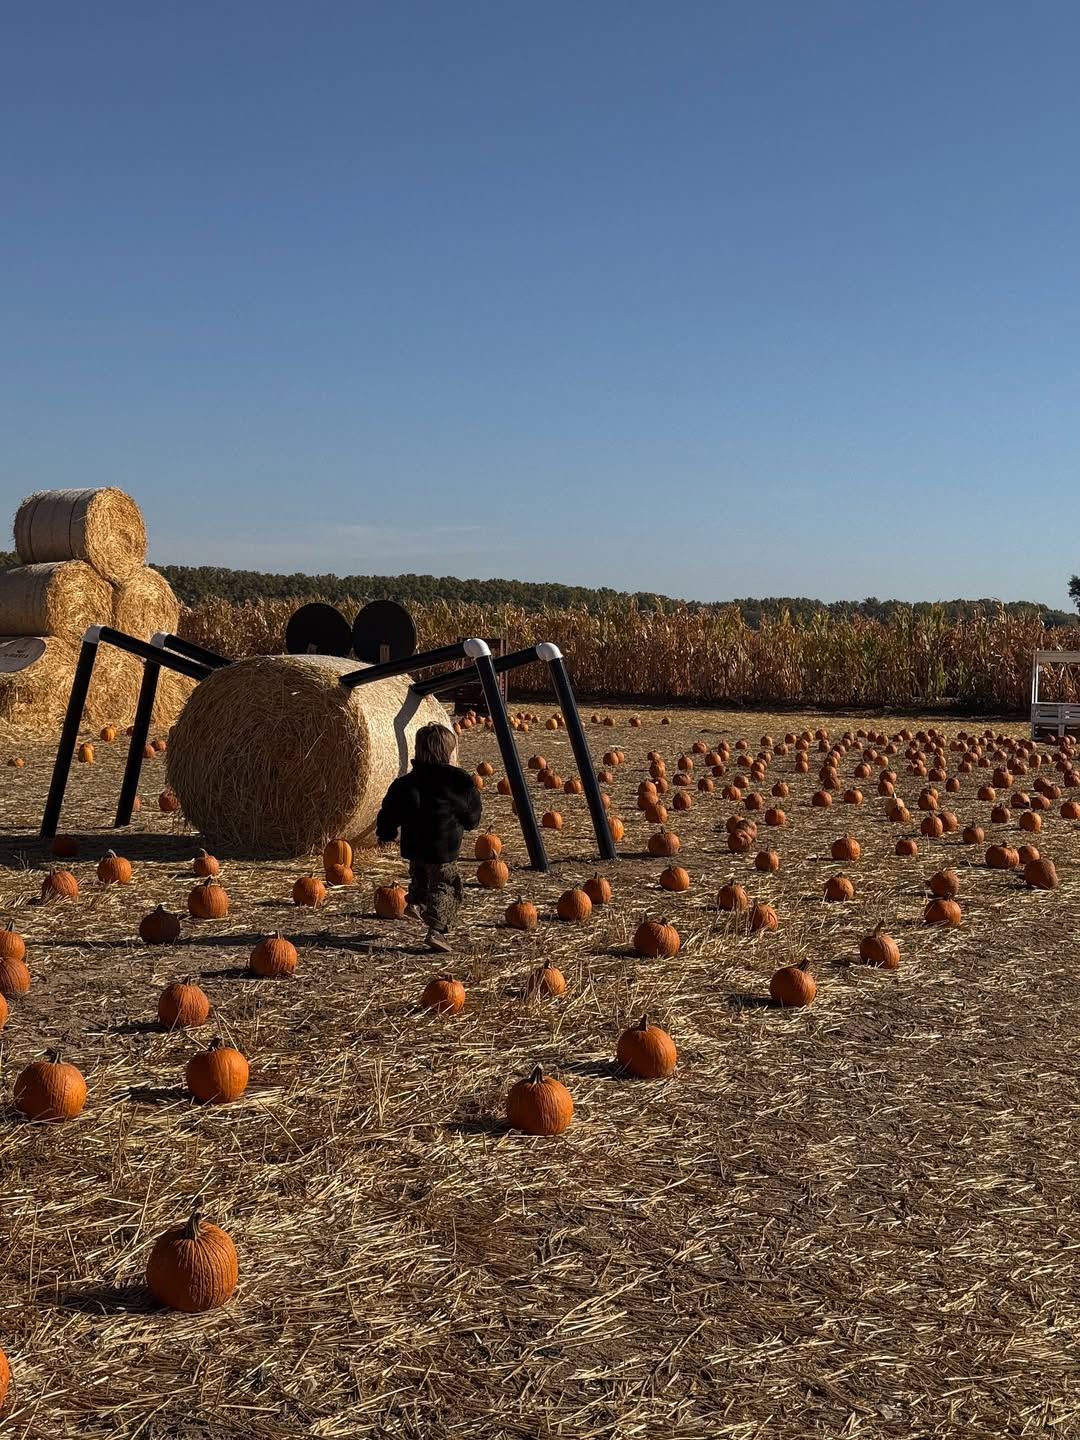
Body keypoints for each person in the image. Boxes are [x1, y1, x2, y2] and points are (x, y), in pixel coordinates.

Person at [375, 722, 483, 951]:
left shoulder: (406, 783)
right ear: (448, 752)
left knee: (420, 875)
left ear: (418, 750)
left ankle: (415, 902)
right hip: (443, 849)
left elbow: (389, 810)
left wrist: (386, 833)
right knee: (446, 887)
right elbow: (472, 813)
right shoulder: (458, 782)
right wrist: (470, 823)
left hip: (415, 847)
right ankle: (437, 931)